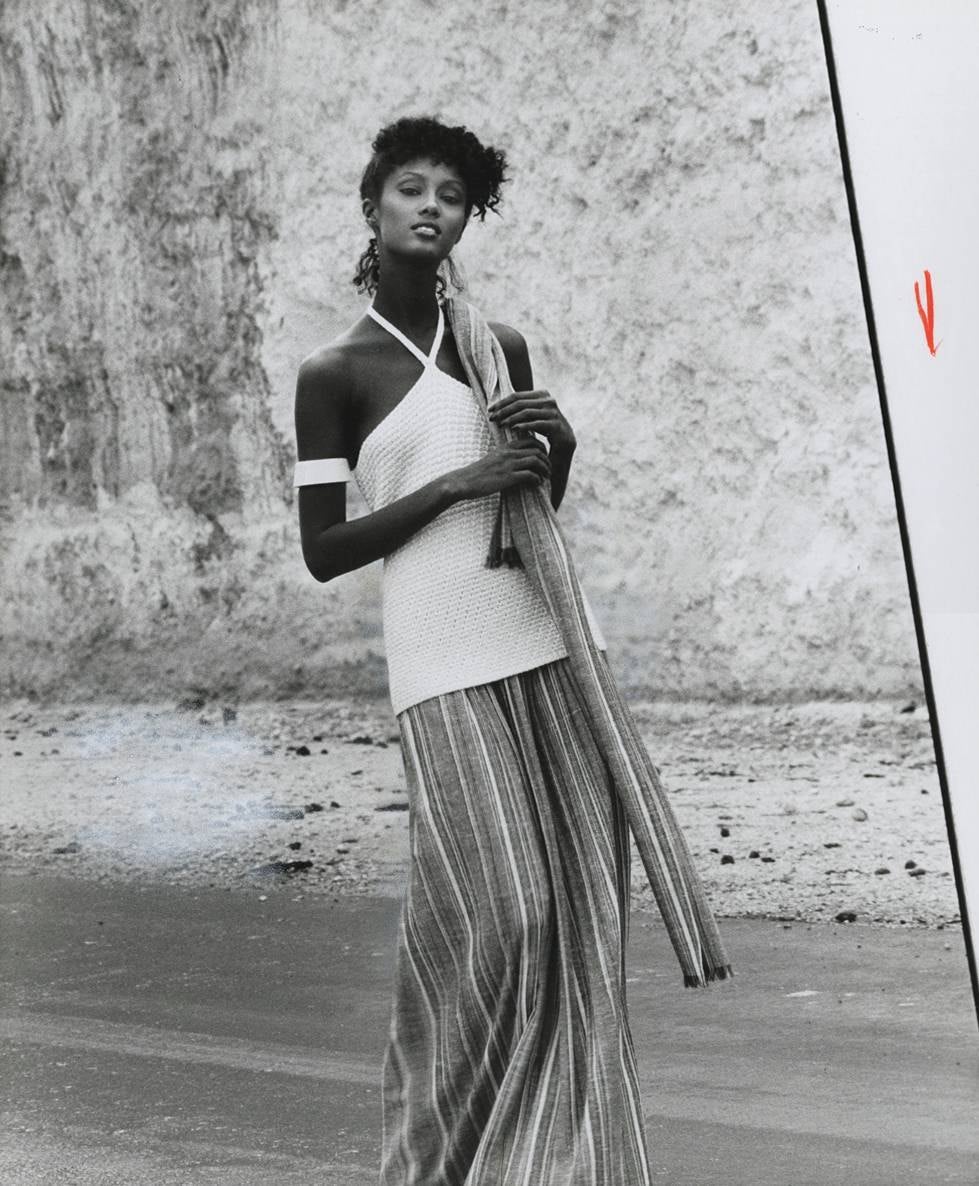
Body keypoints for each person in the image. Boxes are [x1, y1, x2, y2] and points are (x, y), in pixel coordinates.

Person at [293, 115, 731, 1186]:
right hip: (438, 669)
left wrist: (556, 450)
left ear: (466, 218)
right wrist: (452, 482)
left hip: (542, 651)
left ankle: (547, 1163)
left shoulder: (500, 349)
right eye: (411, 188)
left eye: (451, 195)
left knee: (576, 912)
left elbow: (525, 515)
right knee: (503, 912)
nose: (430, 207)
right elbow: (322, 551)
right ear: (373, 204)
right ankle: (434, 1154)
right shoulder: (333, 373)